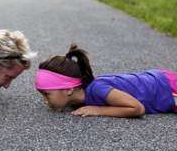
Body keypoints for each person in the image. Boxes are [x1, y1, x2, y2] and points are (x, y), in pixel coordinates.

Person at [34, 44, 177, 118]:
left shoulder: (97, 89)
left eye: (47, 94)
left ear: (69, 89)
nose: (45, 100)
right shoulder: (79, 97)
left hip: (167, 87)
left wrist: (98, 110)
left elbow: (137, 108)